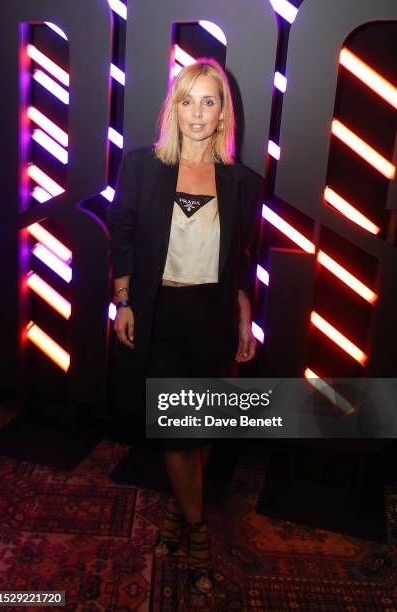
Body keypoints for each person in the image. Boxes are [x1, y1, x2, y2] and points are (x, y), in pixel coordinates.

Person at [106, 58, 262, 594]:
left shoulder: (242, 182)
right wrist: (123, 298)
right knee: (177, 434)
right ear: (174, 107)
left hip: (213, 317)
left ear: (223, 114)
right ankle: (198, 535)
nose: (197, 112)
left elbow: (242, 260)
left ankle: (178, 513)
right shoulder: (142, 166)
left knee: (206, 430)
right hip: (162, 316)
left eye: (209, 101)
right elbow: (122, 234)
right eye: (187, 100)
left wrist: (245, 321)